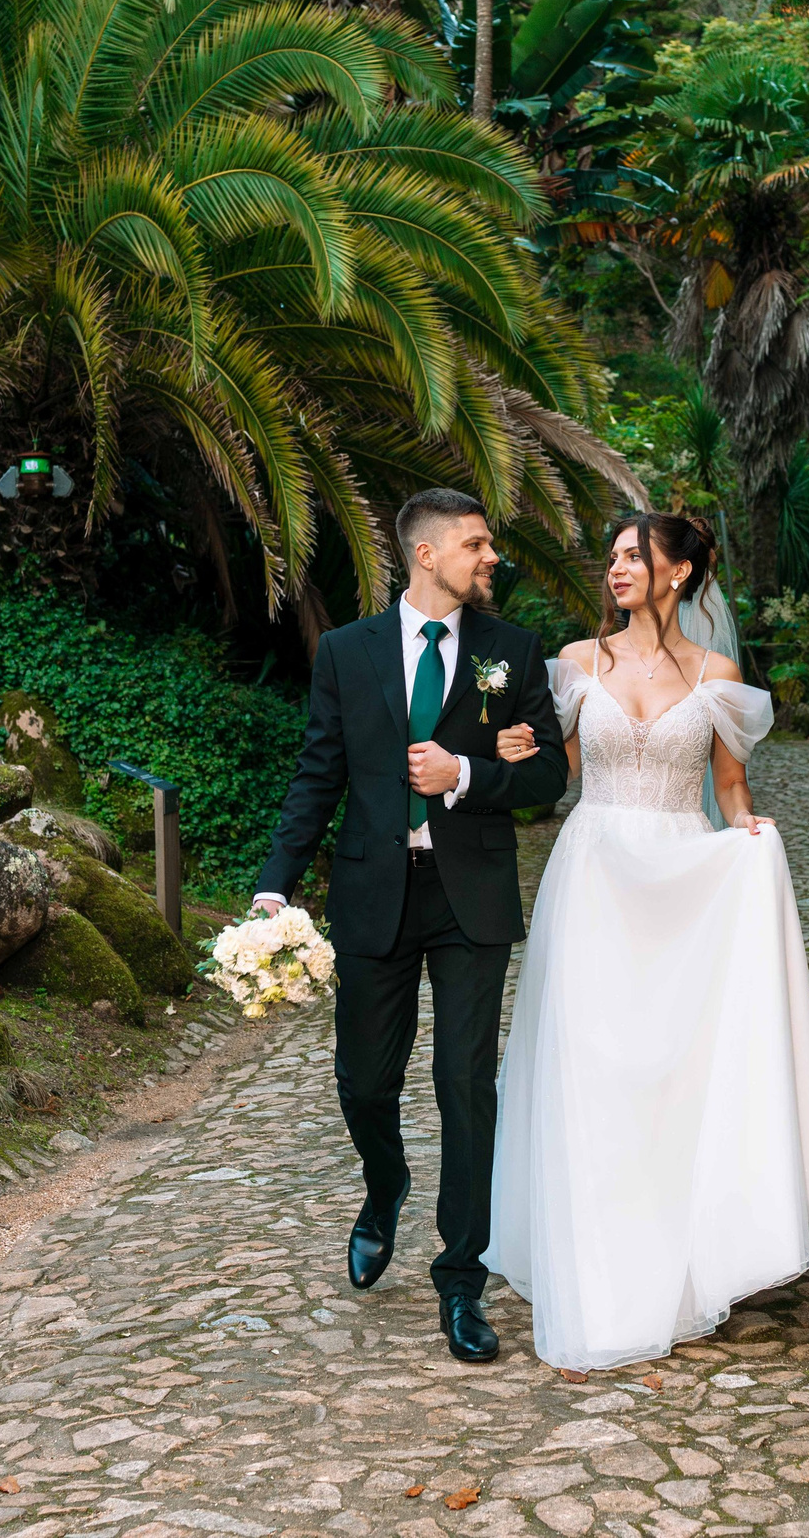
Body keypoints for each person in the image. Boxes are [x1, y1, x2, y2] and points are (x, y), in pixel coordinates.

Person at [482, 512, 809, 1371]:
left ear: (678, 573)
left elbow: (729, 787)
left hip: (683, 881)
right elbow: (557, 772)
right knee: (592, 1064)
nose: (615, 570)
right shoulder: (577, 663)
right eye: (610, 557)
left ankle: (685, 1250)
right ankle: (594, 1252)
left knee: (672, 1067)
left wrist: (755, 837)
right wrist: (502, 753)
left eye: (632, 557)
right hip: (596, 875)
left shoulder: (717, 675)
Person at [251, 488, 569, 1365]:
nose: (490, 558)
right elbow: (320, 772)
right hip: (372, 893)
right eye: (476, 545)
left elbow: (546, 776)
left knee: (466, 1086)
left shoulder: (513, 651)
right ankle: (383, 1184)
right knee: (363, 1080)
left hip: (471, 897)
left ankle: (460, 1279)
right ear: (426, 554)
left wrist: (465, 770)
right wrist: (276, 885)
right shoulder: (346, 652)